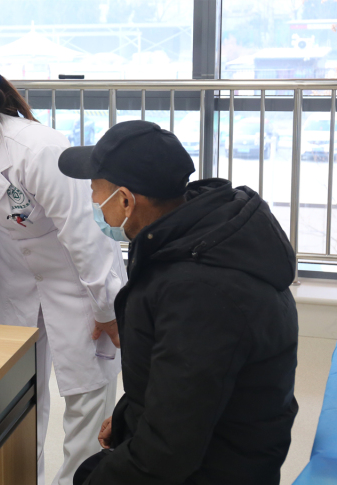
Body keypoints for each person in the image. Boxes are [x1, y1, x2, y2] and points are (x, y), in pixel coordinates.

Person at [0, 52, 126, 485]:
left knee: (85, 392)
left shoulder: (37, 150)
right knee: (19, 390)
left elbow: (83, 232)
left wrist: (107, 308)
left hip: (76, 274)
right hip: (17, 270)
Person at [59, 120, 299, 485]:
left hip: (218, 467)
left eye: (95, 191)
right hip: (208, 438)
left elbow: (168, 450)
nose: (92, 201)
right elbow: (182, 382)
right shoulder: (185, 236)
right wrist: (127, 416)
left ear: (125, 200)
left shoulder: (200, 292)